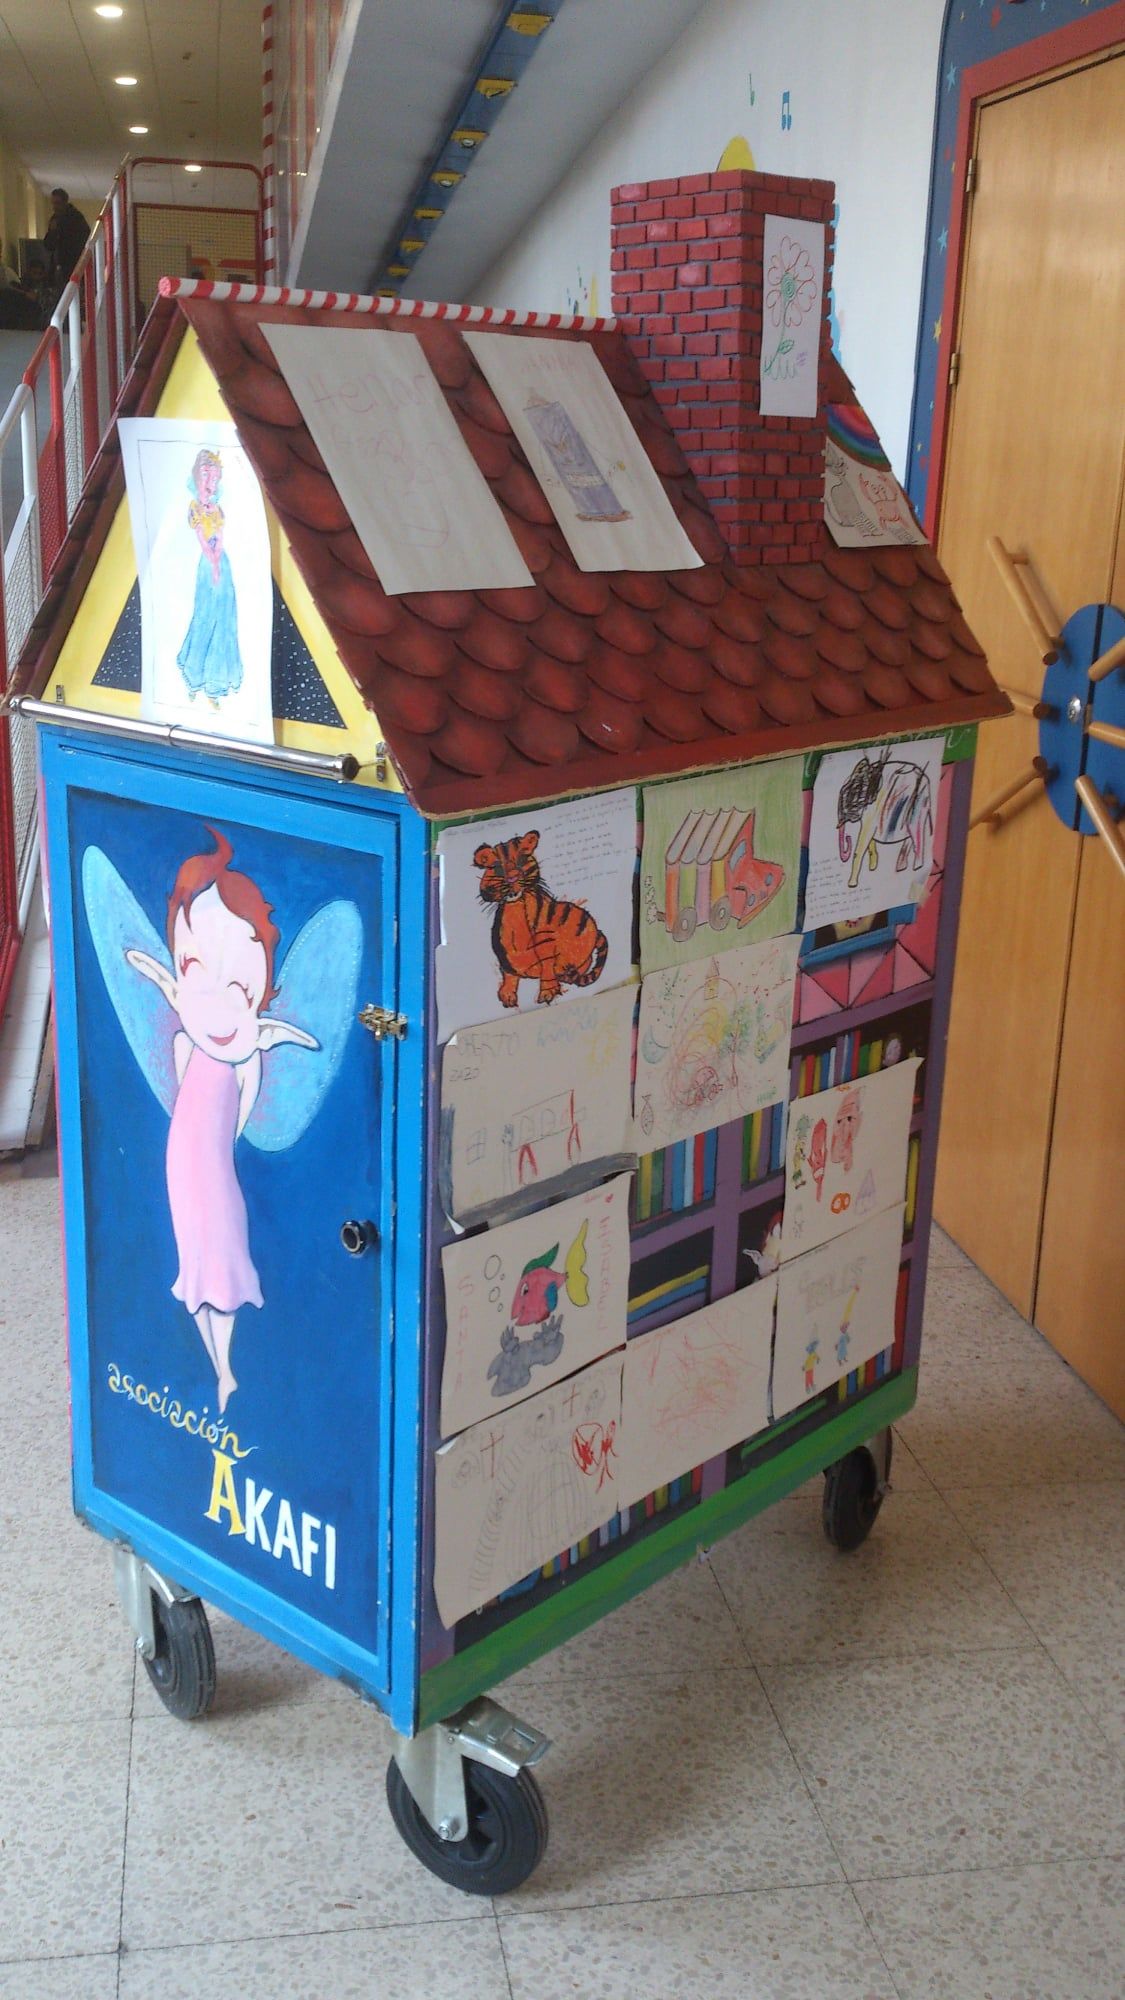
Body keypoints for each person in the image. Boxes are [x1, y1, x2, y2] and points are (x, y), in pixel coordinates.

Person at [177, 448, 245, 704]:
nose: (210, 483)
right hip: (208, 566)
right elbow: (202, 539)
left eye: (215, 477)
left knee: (225, 616)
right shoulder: (195, 508)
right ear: (197, 477)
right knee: (206, 615)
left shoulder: (216, 508)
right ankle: (195, 675)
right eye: (206, 475)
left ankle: (218, 680)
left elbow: (220, 536)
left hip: (221, 563)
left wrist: (218, 560)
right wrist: (213, 562)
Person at [43, 188, 89, 301]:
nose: (54, 207)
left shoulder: (77, 219)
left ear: (65, 202)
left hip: (72, 267)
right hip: (58, 269)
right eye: (53, 203)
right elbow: (49, 245)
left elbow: (83, 241)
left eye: (57, 203)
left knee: (72, 298)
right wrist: (52, 232)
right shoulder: (54, 219)